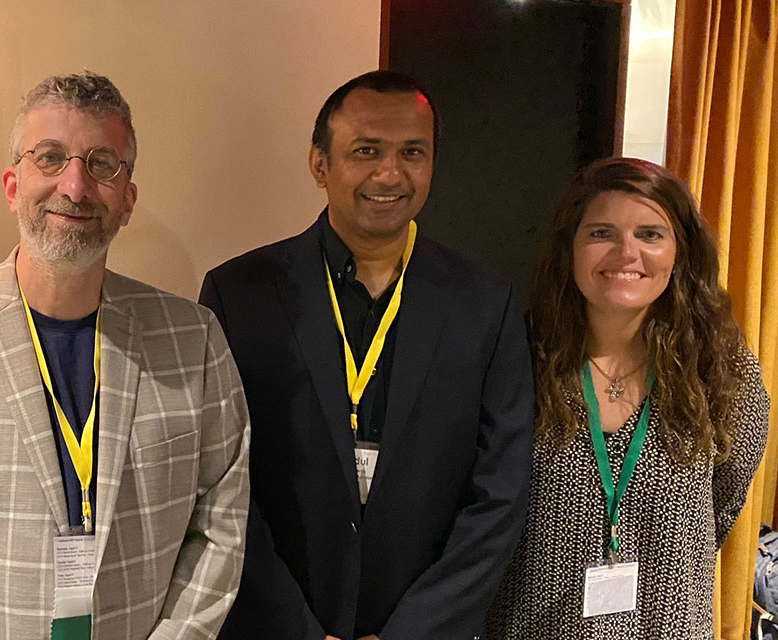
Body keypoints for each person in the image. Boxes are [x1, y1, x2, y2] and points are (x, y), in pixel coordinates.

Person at [0, 72, 250, 639]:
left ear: (127, 201)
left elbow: (223, 523)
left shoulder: (193, 338)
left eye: (101, 163)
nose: (75, 186)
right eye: (50, 157)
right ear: (13, 185)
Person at [199, 70, 534, 640]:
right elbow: (217, 482)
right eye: (366, 150)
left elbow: (501, 491)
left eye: (412, 152)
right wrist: (293, 628)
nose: (390, 173)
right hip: (276, 624)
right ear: (319, 163)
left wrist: (416, 630)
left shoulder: (485, 302)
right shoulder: (239, 294)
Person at [487, 157, 770, 639]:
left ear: (680, 251)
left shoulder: (722, 371)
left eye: (650, 235)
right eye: (601, 233)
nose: (626, 253)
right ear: (569, 249)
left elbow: (719, 510)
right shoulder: (515, 358)